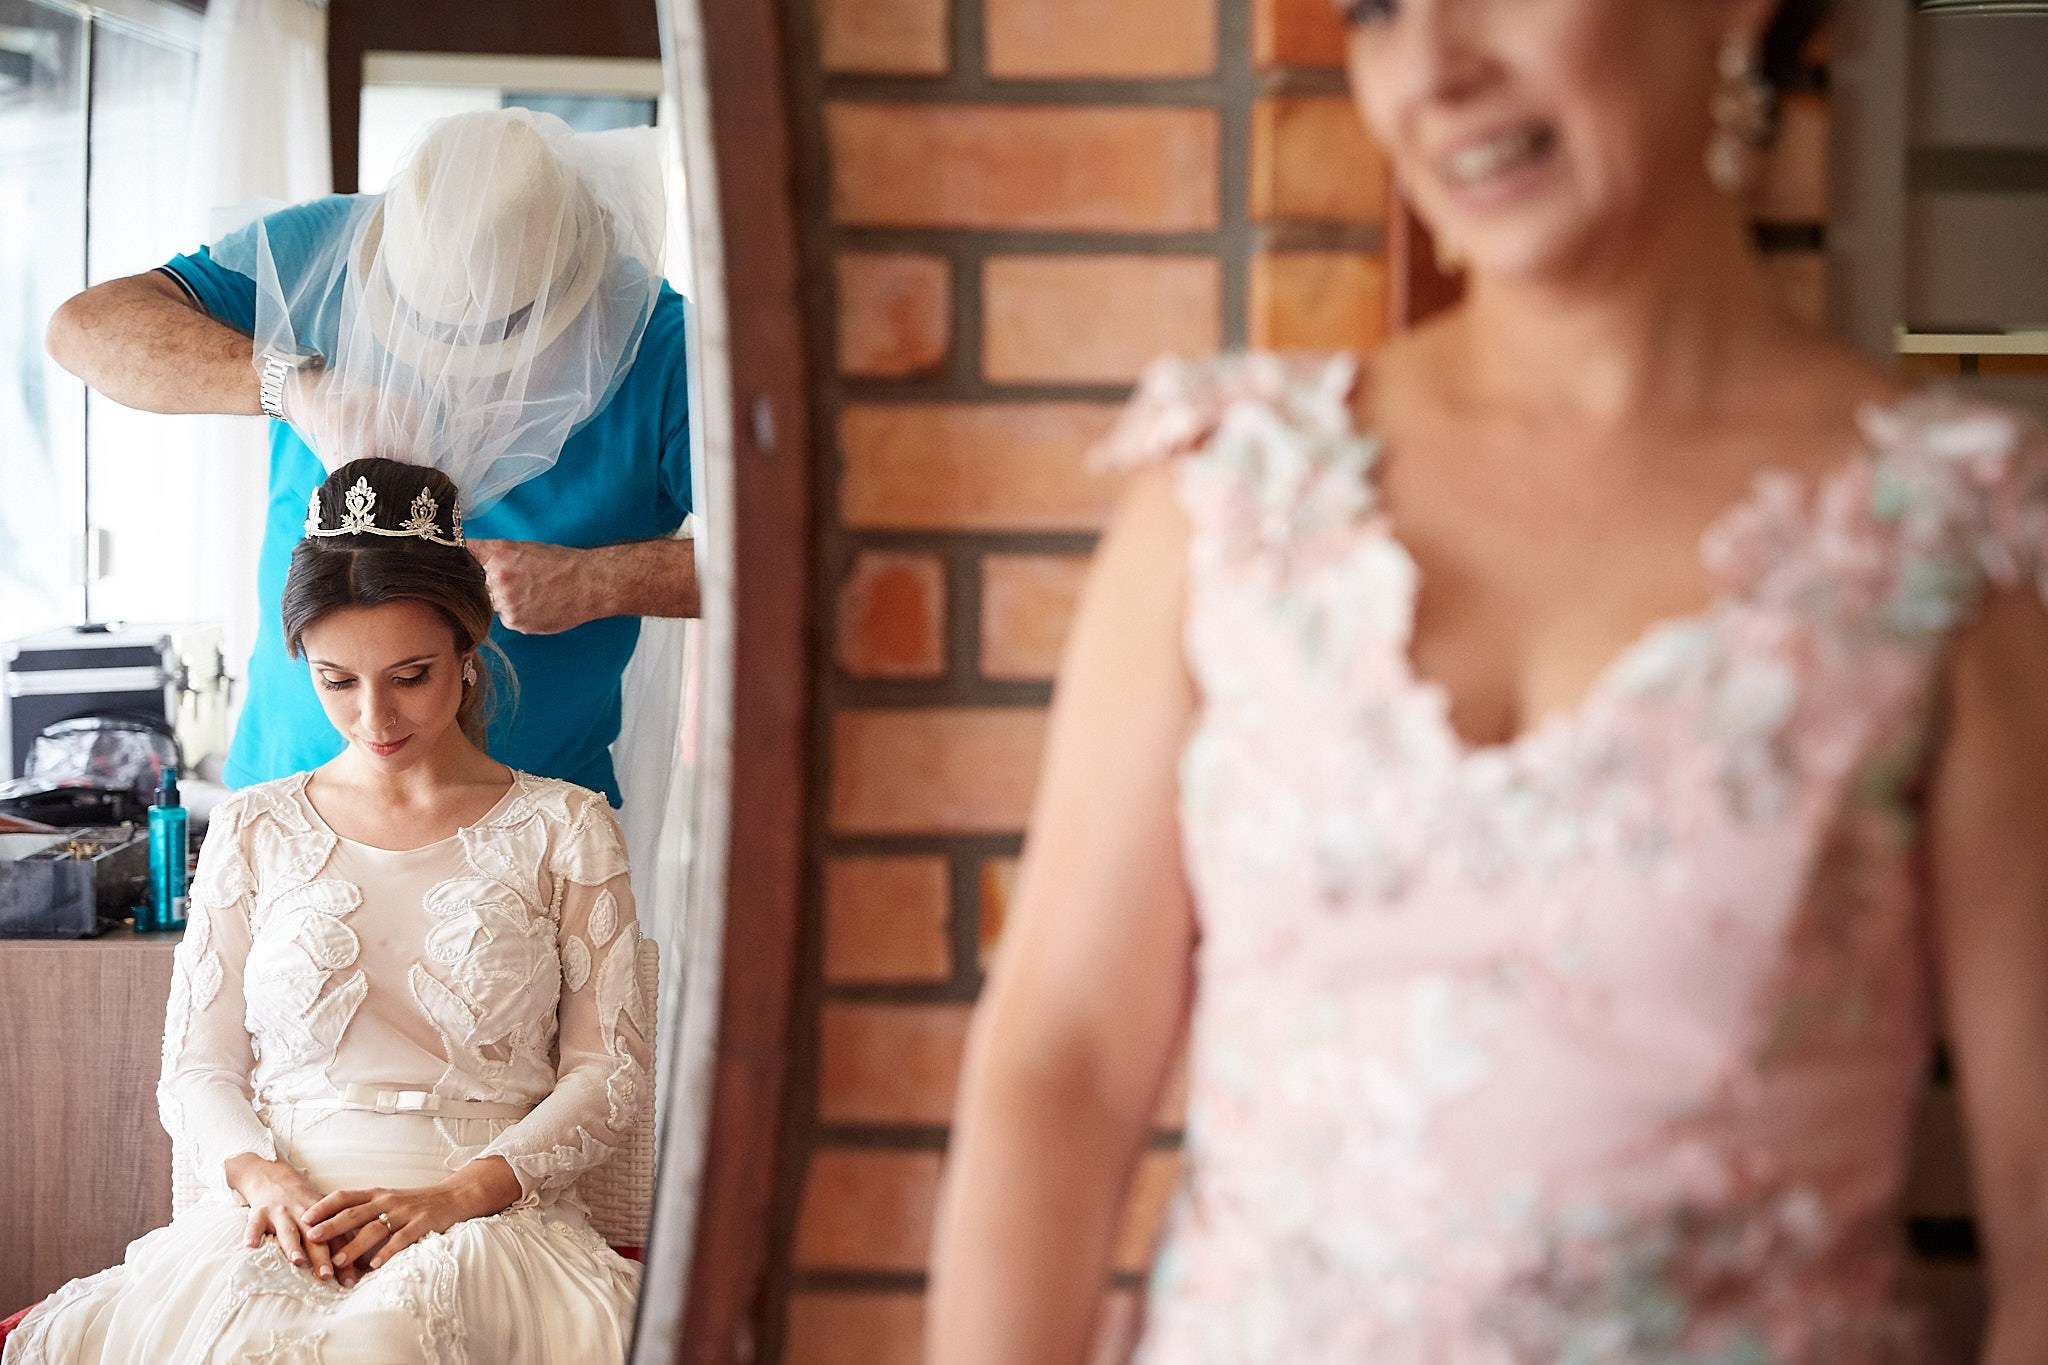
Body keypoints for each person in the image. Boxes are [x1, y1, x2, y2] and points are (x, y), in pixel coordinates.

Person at [928, 0, 2048, 1361]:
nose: (1436, 71)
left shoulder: (1955, 544)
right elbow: (1065, 1064)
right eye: (1378, 9)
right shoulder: (1231, 498)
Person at [3, 458, 653, 1365]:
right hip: (285, 1218)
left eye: (411, 675)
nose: (374, 715)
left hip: (481, 1220)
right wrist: (261, 1177)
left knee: (386, 1340)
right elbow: (198, 1066)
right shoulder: (255, 826)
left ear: (469, 652)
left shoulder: (565, 825)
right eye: (336, 679)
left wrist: (457, 1195)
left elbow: (607, 1077)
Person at [43, 108, 695, 806]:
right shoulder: (316, 255)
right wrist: (290, 387)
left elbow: (793, 564)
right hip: (287, 796)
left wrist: (601, 580)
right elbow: (85, 328)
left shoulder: (662, 349)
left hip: (530, 825)